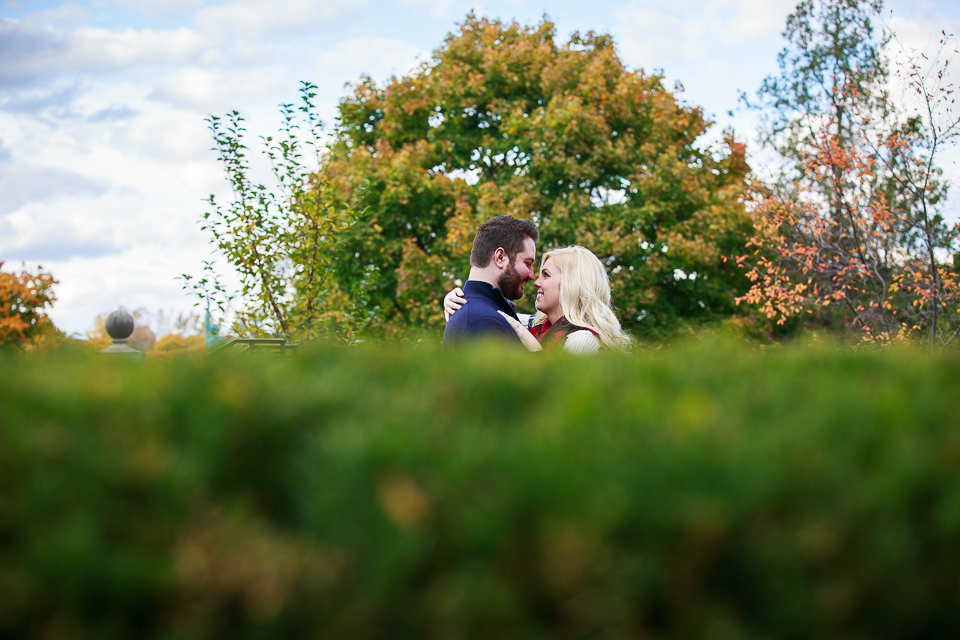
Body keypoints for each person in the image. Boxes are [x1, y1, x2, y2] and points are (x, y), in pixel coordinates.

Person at [444, 245, 629, 354]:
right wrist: (460, 298)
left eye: (546, 275)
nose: (536, 282)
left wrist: (534, 349)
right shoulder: (541, 326)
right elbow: (496, 311)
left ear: (572, 284)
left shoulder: (583, 339)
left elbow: (553, 397)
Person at [441, 214, 539, 346]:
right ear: (500, 257)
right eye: (527, 263)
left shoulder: (481, 314)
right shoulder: (485, 323)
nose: (532, 276)